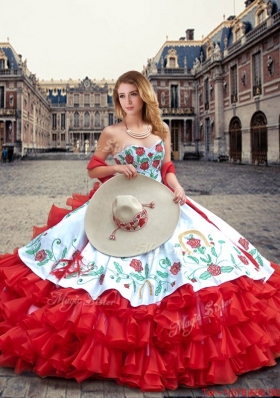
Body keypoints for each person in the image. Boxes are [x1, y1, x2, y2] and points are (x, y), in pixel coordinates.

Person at [0, 70, 279, 392]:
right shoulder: (111, 132)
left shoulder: (160, 130)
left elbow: (167, 168)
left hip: (161, 202)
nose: (127, 101)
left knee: (194, 266)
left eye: (132, 94)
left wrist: (177, 188)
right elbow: (93, 168)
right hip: (121, 203)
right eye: (121, 96)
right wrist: (117, 167)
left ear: (144, 95)